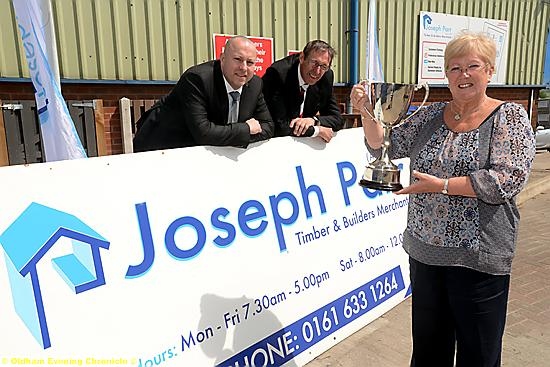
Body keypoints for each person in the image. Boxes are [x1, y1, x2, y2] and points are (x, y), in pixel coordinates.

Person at [351, 31, 536, 367]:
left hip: (478, 258)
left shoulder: (508, 117)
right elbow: (382, 143)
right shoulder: (430, 115)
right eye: (454, 68)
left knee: (477, 354)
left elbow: (506, 180)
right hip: (425, 254)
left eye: (472, 66)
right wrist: (367, 111)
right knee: (428, 352)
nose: (462, 75)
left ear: (490, 71)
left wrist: (442, 186)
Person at [133, 36, 273, 152]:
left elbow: (268, 127)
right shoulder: (197, 79)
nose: (243, 68)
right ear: (223, 58)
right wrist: (246, 129)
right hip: (161, 145)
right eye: (237, 59)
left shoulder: (255, 84)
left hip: (202, 152)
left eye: (250, 62)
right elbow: (204, 133)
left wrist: (229, 135)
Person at [262, 40, 344, 143]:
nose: (317, 71)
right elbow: (280, 126)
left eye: (323, 66)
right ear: (302, 58)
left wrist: (314, 121)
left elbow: (337, 119)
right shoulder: (277, 74)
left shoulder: (326, 76)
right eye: (314, 63)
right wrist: (316, 130)